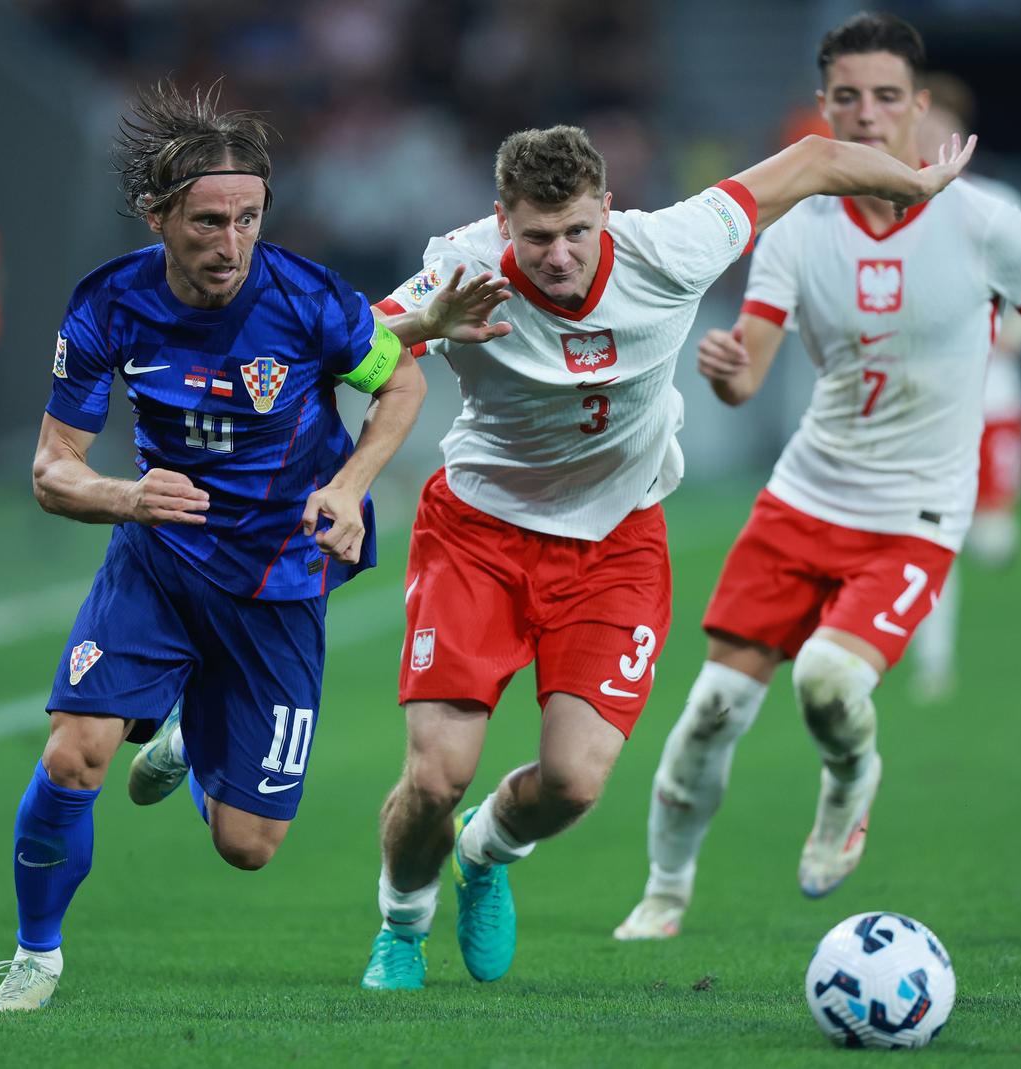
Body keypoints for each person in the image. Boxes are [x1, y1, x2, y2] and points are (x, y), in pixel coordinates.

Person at [357, 104, 978, 987]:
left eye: (576, 229)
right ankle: (402, 924)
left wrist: (911, 183)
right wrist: (422, 327)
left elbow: (804, 162)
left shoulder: (672, 245)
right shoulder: (458, 268)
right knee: (434, 776)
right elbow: (340, 343)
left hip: (614, 544)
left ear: (607, 208)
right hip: (479, 537)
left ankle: (485, 853)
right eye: (537, 237)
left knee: (573, 782)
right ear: (503, 224)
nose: (560, 254)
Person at [0, 82, 511, 1012]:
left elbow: (402, 388)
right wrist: (124, 496)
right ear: (158, 215)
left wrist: (347, 489)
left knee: (248, 845)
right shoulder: (107, 306)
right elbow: (51, 471)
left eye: (249, 219)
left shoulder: (308, 297)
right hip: (158, 562)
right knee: (75, 756)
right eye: (208, 221)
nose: (230, 244)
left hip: (279, 573)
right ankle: (35, 954)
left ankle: (193, 728)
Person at [615, 12, 1021, 944]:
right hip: (804, 495)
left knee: (829, 679)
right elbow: (751, 369)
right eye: (847, 97)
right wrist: (731, 372)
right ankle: (665, 893)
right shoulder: (800, 227)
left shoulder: (983, 222)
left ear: (919, 108)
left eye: (888, 96)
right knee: (709, 713)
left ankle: (849, 784)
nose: (868, 113)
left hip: (915, 513)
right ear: (824, 111)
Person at [909, 78, 1021, 701]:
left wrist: (1014, 334)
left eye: (940, 133)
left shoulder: (997, 204)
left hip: (995, 399)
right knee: (939, 537)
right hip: (928, 407)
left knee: (990, 538)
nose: (930, 144)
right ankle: (933, 665)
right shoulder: (894, 209)